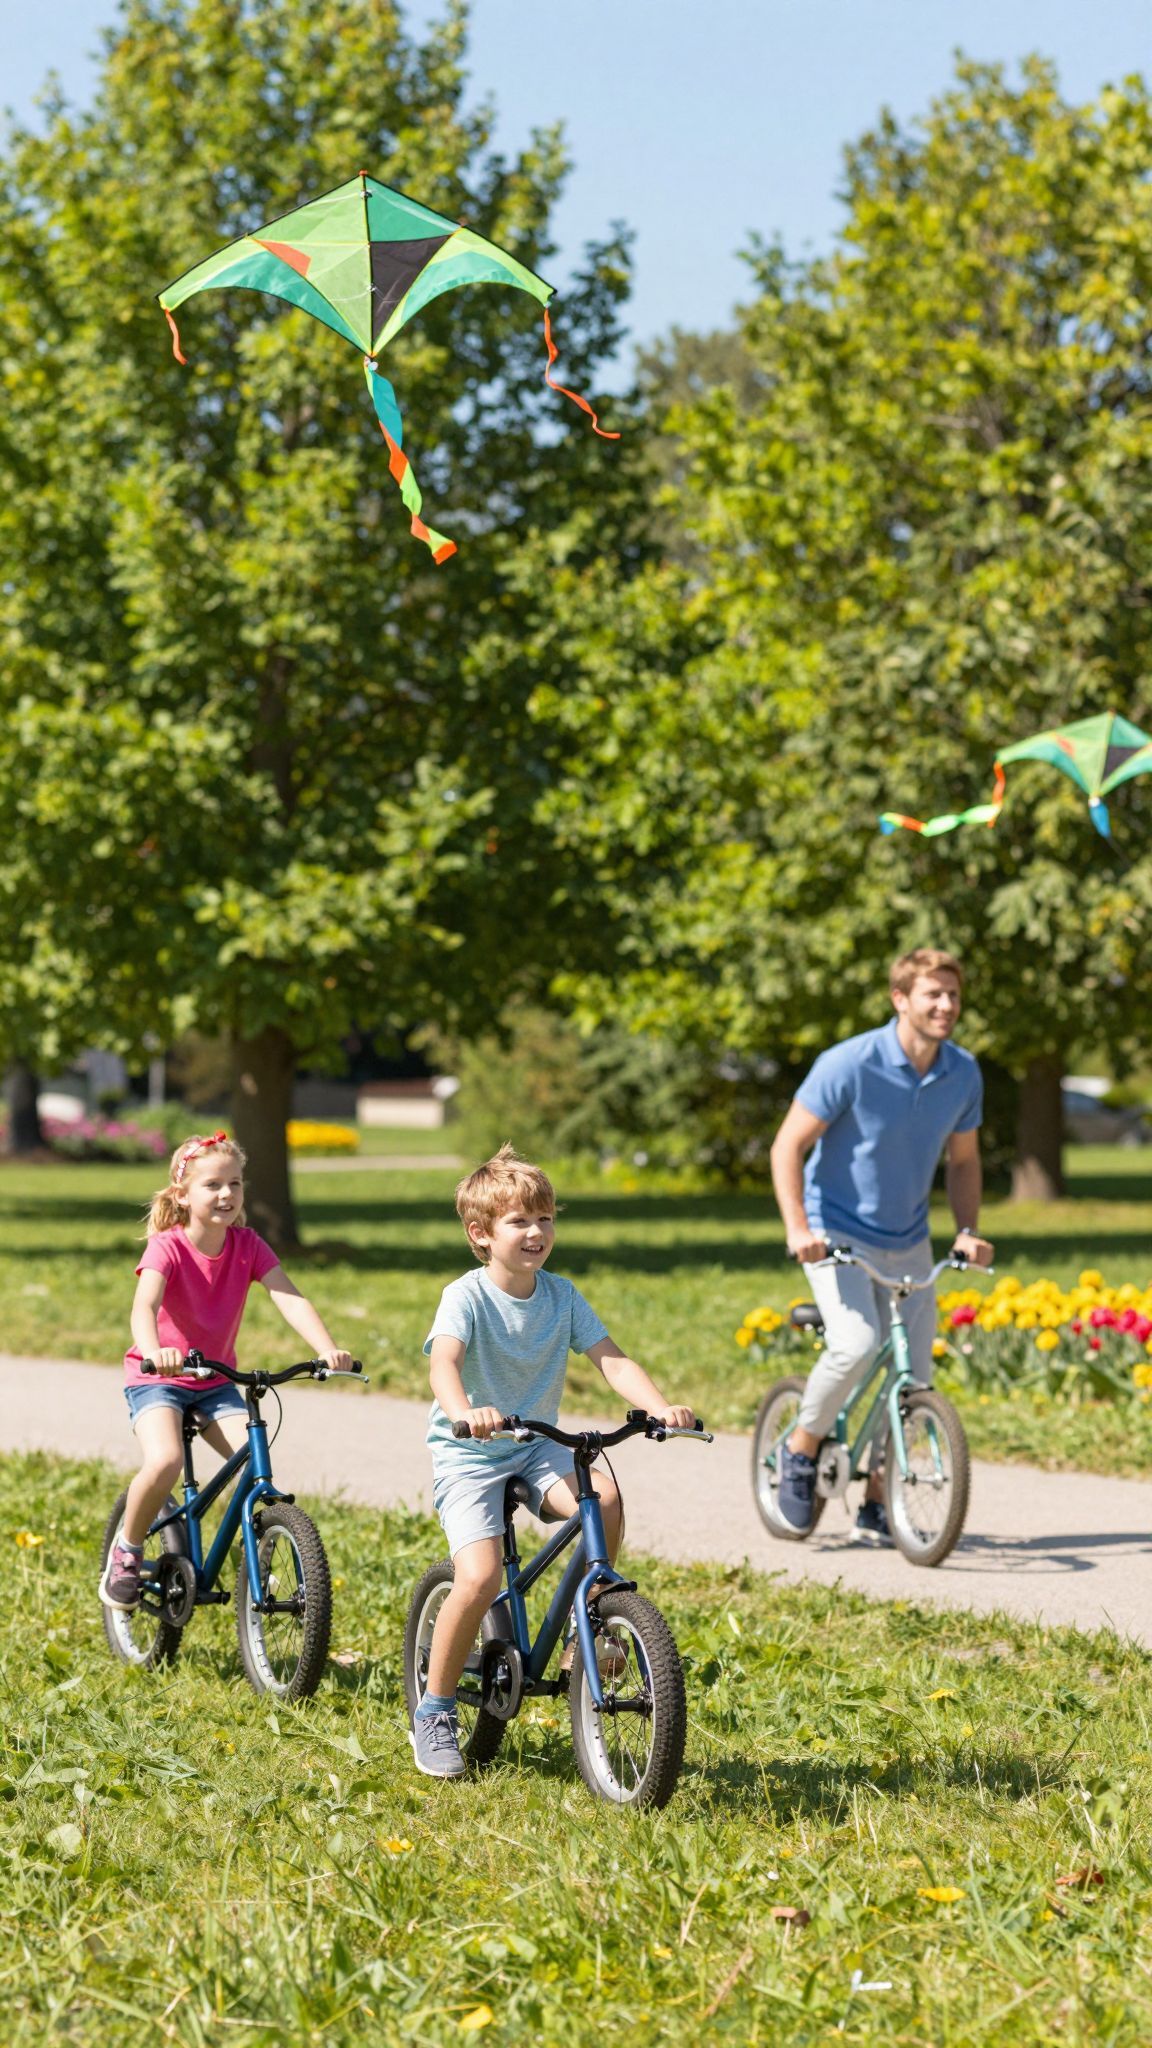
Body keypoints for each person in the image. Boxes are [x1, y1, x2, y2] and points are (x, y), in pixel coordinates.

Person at [413, 1142, 695, 1780]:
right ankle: (434, 1708)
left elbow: (610, 1358)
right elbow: (444, 1364)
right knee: (481, 1577)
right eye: (520, 1221)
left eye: (545, 1218)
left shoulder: (561, 1296)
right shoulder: (467, 1296)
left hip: (537, 1441)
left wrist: (659, 1407)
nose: (537, 1232)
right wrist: (466, 1412)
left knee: (606, 1496)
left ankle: (584, 1629)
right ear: (481, 1235)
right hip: (470, 1450)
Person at [769, 948, 994, 1546]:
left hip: (909, 1238)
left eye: (953, 995)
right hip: (833, 1230)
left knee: (913, 1373)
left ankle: (876, 1502)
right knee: (857, 1343)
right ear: (901, 999)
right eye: (932, 994)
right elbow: (787, 1147)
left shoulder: (962, 1072)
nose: (946, 1005)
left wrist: (966, 1230)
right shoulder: (850, 1063)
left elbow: (964, 1160)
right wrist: (799, 1230)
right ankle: (800, 1447)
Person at [99, 1130, 352, 1612]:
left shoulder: (247, 1244)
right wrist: (157, 1351)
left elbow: (288, 1296)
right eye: (212, 1185)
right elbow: (143, 1307)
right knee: (165, 1460)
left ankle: (254, 1555)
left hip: (215, 1382)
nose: (226, 1195)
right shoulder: (167, 1247)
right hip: (158, 1379)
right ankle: (128, 1550)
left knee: (254, 1466)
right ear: (183, 1194)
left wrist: (327, 1349)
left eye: (235, 1184)